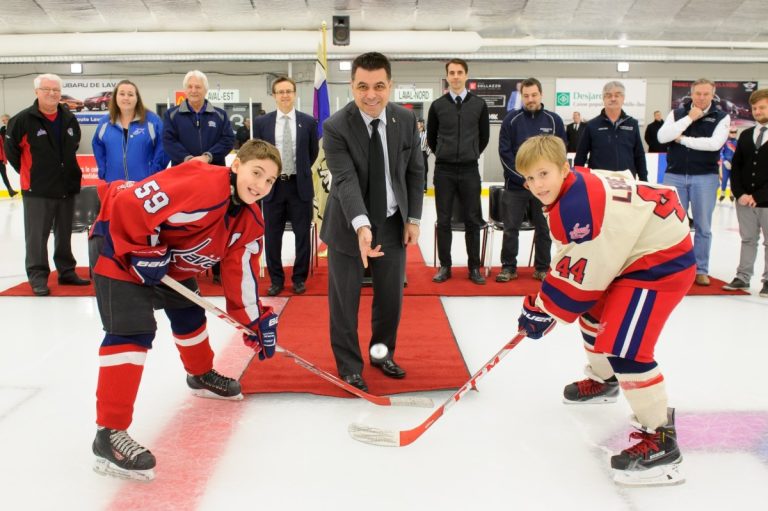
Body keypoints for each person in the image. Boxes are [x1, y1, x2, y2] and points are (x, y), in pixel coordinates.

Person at [89, 139, 281, 481]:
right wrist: (140, 249)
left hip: (169, 260)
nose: (261, 185)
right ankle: (109, 433)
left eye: (269, 180)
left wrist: (255, 321)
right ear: (236, 165)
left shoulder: (251, 221)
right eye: (256, 172)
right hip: (118, 242)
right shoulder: (202, 181)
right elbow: (131, 204)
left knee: (190, 313)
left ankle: (200, 374)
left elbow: (242, 277)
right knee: (133, 331)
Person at [516, 135, 693, 487]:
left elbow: (583, 271)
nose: (536, 185)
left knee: (624, 346)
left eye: (543, 174)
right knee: (594, 313)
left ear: (564, 168)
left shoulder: (580, 206)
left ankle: (661, 439)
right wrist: (546, 304)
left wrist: (542, 308)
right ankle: (605, 381)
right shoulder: (569, 190)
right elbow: (575, 259)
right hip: (634, 247)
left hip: (660, 259)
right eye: (529, 178)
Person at [320, 52, 423, 392]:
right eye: (362, 86)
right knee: (344, 303)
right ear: (352, 86)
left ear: (390, 86)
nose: (371, 95)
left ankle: (381, 354)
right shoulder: (335, 127)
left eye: (379, 86)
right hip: (349, 227)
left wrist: (413, 218)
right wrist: (362, 226)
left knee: (390, 301)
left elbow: (414, 170)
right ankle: (349, 367)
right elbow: (345, 180)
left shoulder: (405, 121)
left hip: (393, 225)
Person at [4, 73, 91, 296]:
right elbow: (12, 153)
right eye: (47, 89)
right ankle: (38, 276)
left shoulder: (68, 117)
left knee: (65, 233)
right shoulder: (22, 120)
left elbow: (74, 144)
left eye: (56, 90)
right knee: (37, 235)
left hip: (66, 186)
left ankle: (66, 271)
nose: (52, 93)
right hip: (37, 189)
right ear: (37, 92)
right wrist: (32, 173)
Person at [163, 69, 235, 283]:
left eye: (198, 86)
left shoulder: (220, 115)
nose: (194, 90)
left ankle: (219, 271)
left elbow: (228, 140)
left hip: (214, 178)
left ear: (205, 89)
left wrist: (207, 157)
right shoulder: (172, 115)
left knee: (217, 221)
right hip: (183, 179)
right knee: (183, 223)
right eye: (190, 86)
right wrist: (188, 160)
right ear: (185, 89)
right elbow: (168, 141)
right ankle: (184, 270)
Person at [657, 78, 730, 286]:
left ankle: (701, 269)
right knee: (671, 225)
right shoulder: (678, 113)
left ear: (713, 94)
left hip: (705, 177)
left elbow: (714, 144)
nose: (701, 97)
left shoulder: (721, 117)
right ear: (691, 93)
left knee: (703, 226)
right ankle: (672, 267)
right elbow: (663, 137)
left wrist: (681, 139)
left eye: (706, 94)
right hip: (674, 175)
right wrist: (689, 118)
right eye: (698, 93)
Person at [252, 76, 319, 296]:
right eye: (280, 92)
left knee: (302, 235)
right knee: (272, 236)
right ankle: (276, 280)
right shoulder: (262, 123)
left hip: (299, 187)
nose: (285, 95)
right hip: (272, 188)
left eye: (289, 91)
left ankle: (299, 279)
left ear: (295, 94)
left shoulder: (308, 122)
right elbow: (257, 154)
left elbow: (312, 153)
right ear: (274, 96)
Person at [427, 58, 490, 285]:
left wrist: (470, 152)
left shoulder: (479, 105)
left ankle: (474, 267)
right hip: (443, 170)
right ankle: (445, 266)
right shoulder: (437, 106)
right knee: (443, 220)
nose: (455, 76)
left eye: (459, 72)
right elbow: (432, 137)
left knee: (473, 220)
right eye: (451, 73)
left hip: (469, 169)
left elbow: (484, 137)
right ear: (447, 76)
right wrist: (444, 152)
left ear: (466, 75)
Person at [497, 77, 565, 283]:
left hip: (545, 188)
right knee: (510, 229)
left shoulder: (554, 121)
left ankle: (542, 268)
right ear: (522, 98)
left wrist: (548, 181)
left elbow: (560, 154)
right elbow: (504, 154)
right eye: (526, 96)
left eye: (534, 95)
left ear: (541, 95)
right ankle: (509, 267)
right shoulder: (511, 120)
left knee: (544, 229)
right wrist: (524, 179)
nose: (530, 99)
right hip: (517, 187)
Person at [722, 88, 768, 298]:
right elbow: (737, 167)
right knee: (748, 239)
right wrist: (739, 193)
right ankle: (743, 276)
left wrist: (758, 196)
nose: (758, 111)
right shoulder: (747, 134)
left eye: (762, 107)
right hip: (744, 200)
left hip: (765, 201)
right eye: (755, 108)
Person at [92, 80, 167, 183]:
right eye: (122, 94)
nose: (126, 98)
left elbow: (163, 146)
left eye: (130, 94)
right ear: (115, 97)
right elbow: (97, 145)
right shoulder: (104, 123)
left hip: (144, 186)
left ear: (137, 98)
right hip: (114, 185)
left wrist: (155, 170)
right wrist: (103, 170)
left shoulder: (153, 121)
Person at [574, 81, 647, 181]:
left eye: (617, 95)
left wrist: (644, 180)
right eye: (608, 95)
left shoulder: (632, 124)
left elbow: (639, 155)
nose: (613, 99)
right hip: (599, 182)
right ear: (603, 99)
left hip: (627, 182)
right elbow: (581, 155)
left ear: (623, 98)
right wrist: (578, 180)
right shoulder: (592, 125)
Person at [718, 127, 738, 202]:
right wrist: (724, 161)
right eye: (732, 132)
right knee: (724, 180)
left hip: (734, 165)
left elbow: (739, 154)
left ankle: (731, 194)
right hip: (725, 164)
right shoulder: (725, 142)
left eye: (735, 132)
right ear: (729, 132)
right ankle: (722, 194)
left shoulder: (737, 142)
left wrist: (736, 163)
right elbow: (721, 152)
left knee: (733, 180)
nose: (733, 134)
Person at [0, 113, 18, 198]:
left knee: (4, 174)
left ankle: (10, 190)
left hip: (9, 153)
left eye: (5, 120)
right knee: (4, 174)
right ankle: (10, 190)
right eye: (2, 120)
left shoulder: (14, 127)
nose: (3, 122)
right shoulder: (2, 129)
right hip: (5, 153)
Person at [417, 119, 431, 192]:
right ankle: (416, 187)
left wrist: (426, 154)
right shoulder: (415, 133)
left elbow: (429, 144)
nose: (418, 124)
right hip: (416, 153)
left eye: (419, 123)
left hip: (423, 152)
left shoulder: (426, 133)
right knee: (415, 169)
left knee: (425, 170)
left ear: (422, 124)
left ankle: (424, 187)